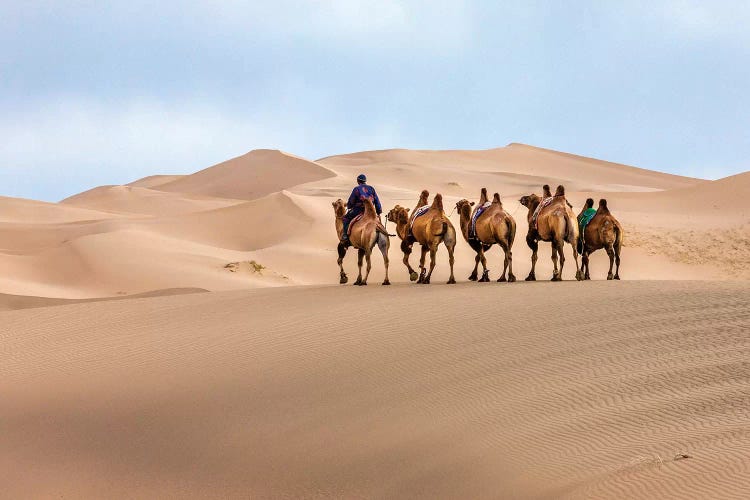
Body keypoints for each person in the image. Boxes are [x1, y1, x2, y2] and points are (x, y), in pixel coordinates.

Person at [341, 174, 382, 246]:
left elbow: (351, 200)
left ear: (358, 181)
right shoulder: (371, 188)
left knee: (345, 218)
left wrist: (349, 206)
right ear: (365, 181)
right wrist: (378, 212)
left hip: (358, 210)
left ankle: (345, 235)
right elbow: (377, 201)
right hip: (371, 211)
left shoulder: (357, 189)